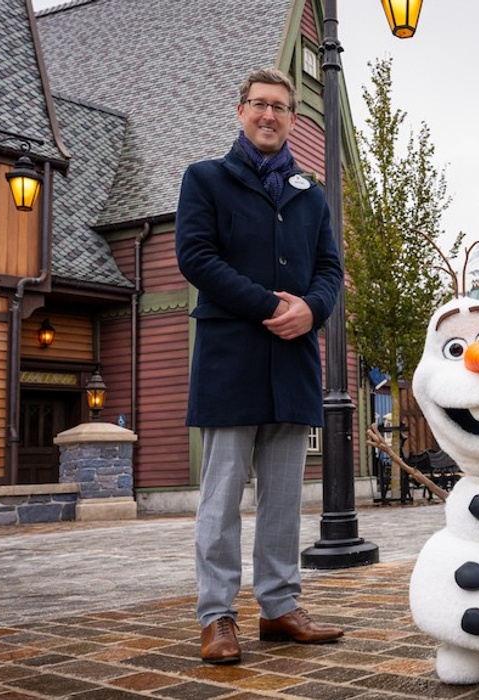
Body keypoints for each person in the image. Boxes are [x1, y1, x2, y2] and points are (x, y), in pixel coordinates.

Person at [175, 67, 346, 665]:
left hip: (293, 361)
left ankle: (279, 607)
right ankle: (217, 616)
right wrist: (272, 305)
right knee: (220, 499)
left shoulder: (311, 193)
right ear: (240, 110)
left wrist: (313, 310)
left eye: (280, 107)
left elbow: (329, 269)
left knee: (282, 499)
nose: (269, 115)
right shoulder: (205, 179)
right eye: (259, 105)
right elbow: (196, 258)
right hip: (231, 361)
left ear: (292, 119)